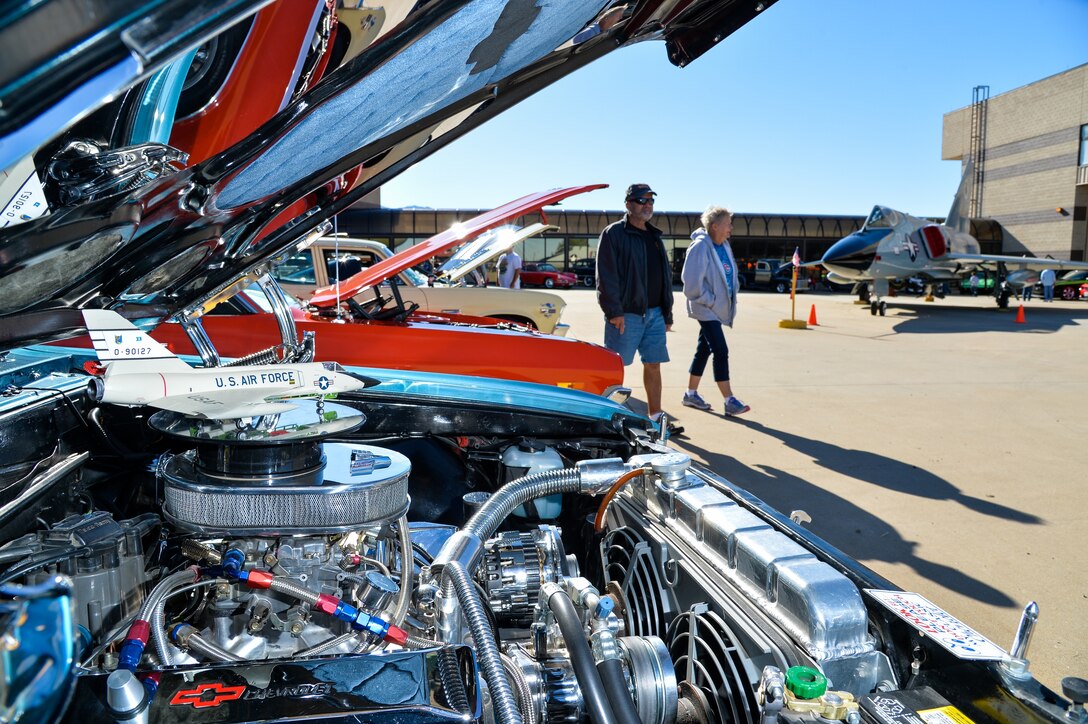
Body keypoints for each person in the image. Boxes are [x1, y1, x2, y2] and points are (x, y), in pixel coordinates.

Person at [596, 183, 675, 427]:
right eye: (642, 200)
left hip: (655, 314)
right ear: (628, 204)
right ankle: (603, 417)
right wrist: (614, 311)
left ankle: (655, 417)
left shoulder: (654, 237)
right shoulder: (614, 233)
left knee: (653, 364)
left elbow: (664, 276)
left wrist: (667, 313)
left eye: (651, 200)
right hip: (626, 315)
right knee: (616, 366)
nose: (647, 205)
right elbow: (606, 276)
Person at [680, 206, 749, 417]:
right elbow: (691, 284)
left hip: (716, 309)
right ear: (715, 225)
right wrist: (711, 301)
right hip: (705, 308)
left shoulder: (724, 246)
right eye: (728, 224)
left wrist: (729, 295)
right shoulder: (700, 247)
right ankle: (729, 400)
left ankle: (690, 394)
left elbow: (730, 275)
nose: (731, 228)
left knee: (704, 349)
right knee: (720, 350)